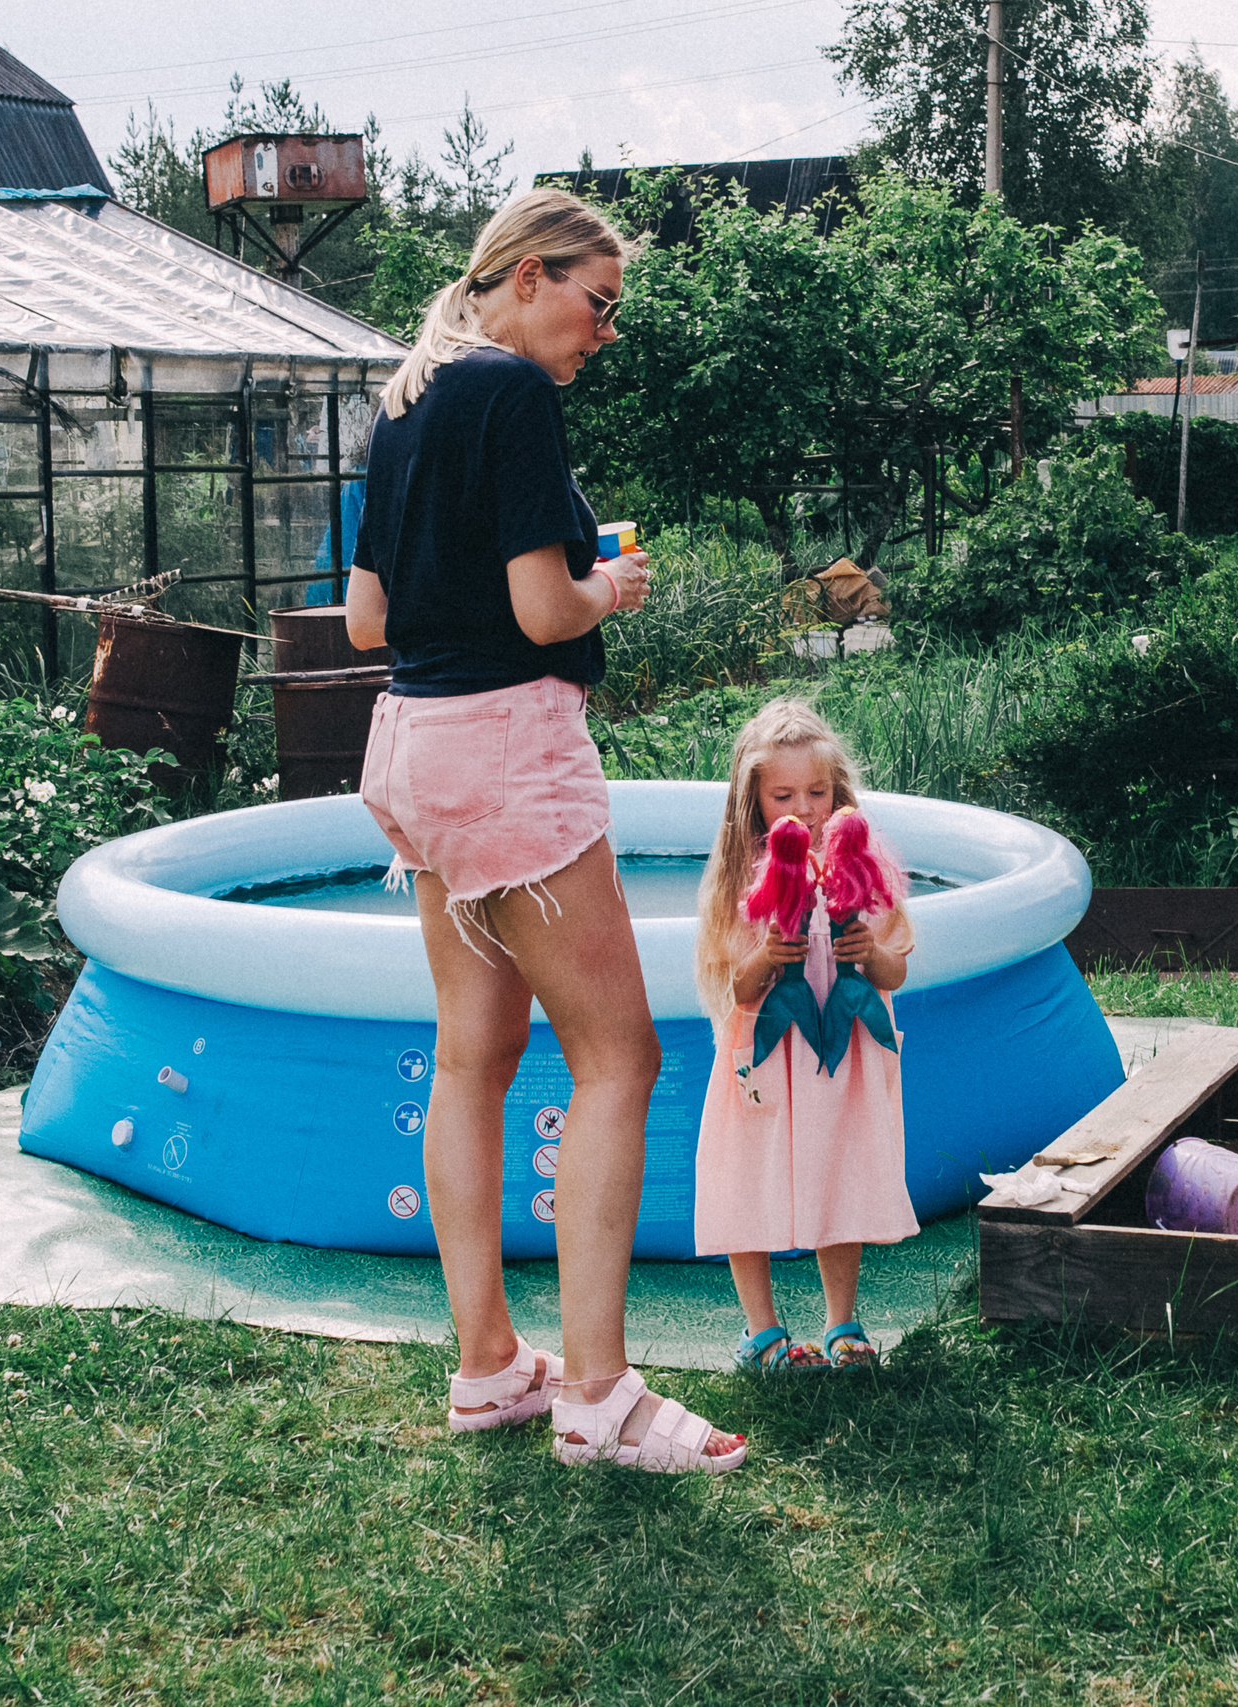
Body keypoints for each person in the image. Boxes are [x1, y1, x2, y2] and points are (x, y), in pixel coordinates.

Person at [344, 188, 745, 1474]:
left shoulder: (404, 403)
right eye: (599, 301)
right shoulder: (512, 395)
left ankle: (485, 1374)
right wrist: (607, 588)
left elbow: (366, 621)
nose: (605, 332)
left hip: (409, 744)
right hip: (508, 747)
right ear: (527, 276)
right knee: (618, 1060)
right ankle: (599, 1396)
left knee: (474, 1058)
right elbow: (541, 612)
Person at [691, 699, 921, 1370]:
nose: (804, 807)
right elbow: (729, 986)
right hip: (764, 1064)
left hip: (838, 1060)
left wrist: (869, 955)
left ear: (837, 791)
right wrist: (768, 957)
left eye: (817, 791)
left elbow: (896, 963)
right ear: (753, 799)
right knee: (748, 1176)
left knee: (839, 1171)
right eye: (783, 794)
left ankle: (841, 1322)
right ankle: (761, 1331)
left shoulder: (861, 867)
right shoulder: (741, 880)